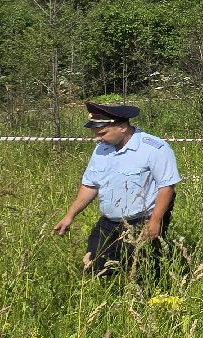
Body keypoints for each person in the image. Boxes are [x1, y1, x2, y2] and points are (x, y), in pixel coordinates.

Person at [53, 102, 180, 277]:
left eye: (102, 133)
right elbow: (90, 185)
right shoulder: (101, 149)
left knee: (139, 272)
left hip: (141, 221)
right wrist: (70, 215)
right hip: (109, 221)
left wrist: (155, 221)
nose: (98, 138)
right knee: (95, 267)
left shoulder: (154, 148)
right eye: (96, 134)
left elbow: (167, 187)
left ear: (122, 127)